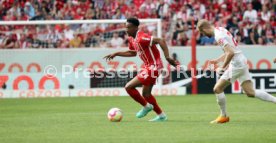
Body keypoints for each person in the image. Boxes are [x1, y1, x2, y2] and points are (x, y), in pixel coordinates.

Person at [197, 19, 276, 124]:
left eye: (202, 32)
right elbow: (231, 50)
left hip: (237, 64)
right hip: (241, 60)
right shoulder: (221, 29)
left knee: (217, 88)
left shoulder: (218, 36)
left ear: (205, 28)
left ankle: (223, 116)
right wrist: (217, 60)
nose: (204, 35)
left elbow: (230, 53)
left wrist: (222, 67)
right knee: (250, 92)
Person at [104, 17, 177, 121]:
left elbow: (161, 40)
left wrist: (167, 57)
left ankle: (147, 106)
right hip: (149, 66)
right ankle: (161, 116)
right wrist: (116, 53)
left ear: (135, 28)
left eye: (128, 27)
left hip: (154, 66)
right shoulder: (131, 39)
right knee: (146, 94)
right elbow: (132, 53)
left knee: (129, 87)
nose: (126, 29)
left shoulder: (141, 38)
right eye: (126, 27)